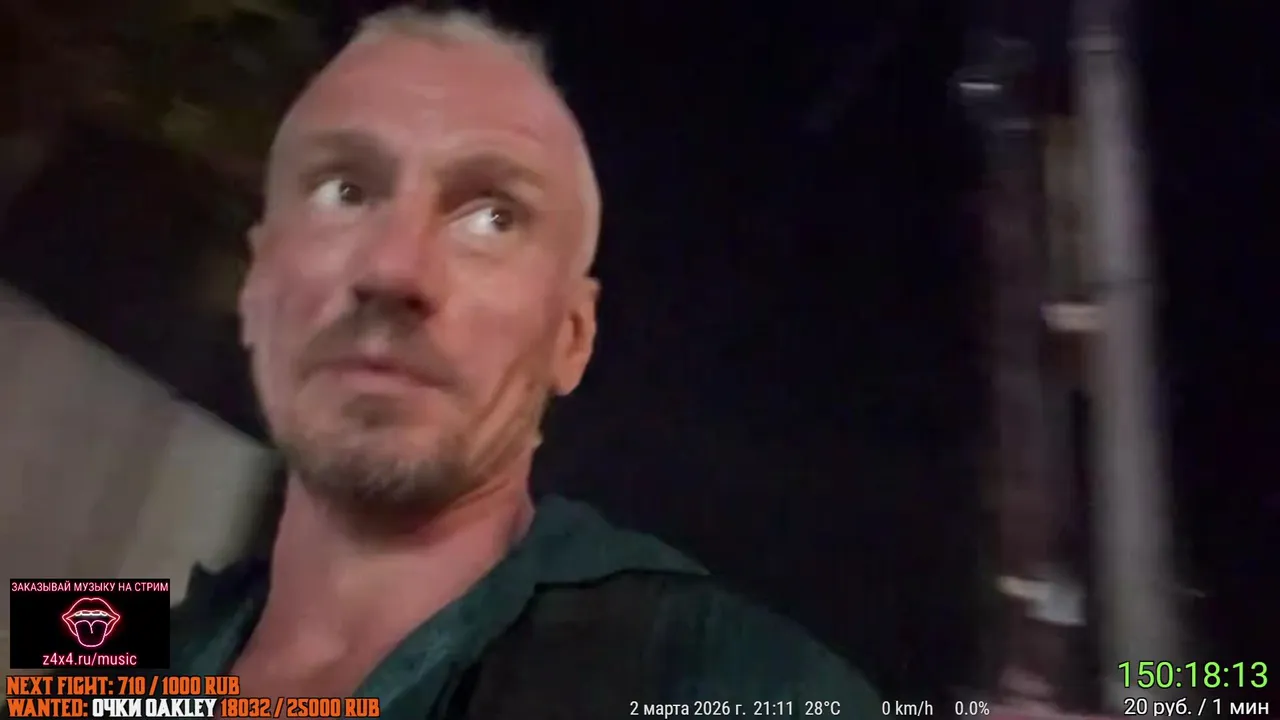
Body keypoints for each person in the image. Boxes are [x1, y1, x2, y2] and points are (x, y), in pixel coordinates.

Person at [171, 6, 880, 717]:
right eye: (343, 192)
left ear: (573, 337)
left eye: (493, 217)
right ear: (255, 284)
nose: (392, 269)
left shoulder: (731, 685)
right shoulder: (119, 649)